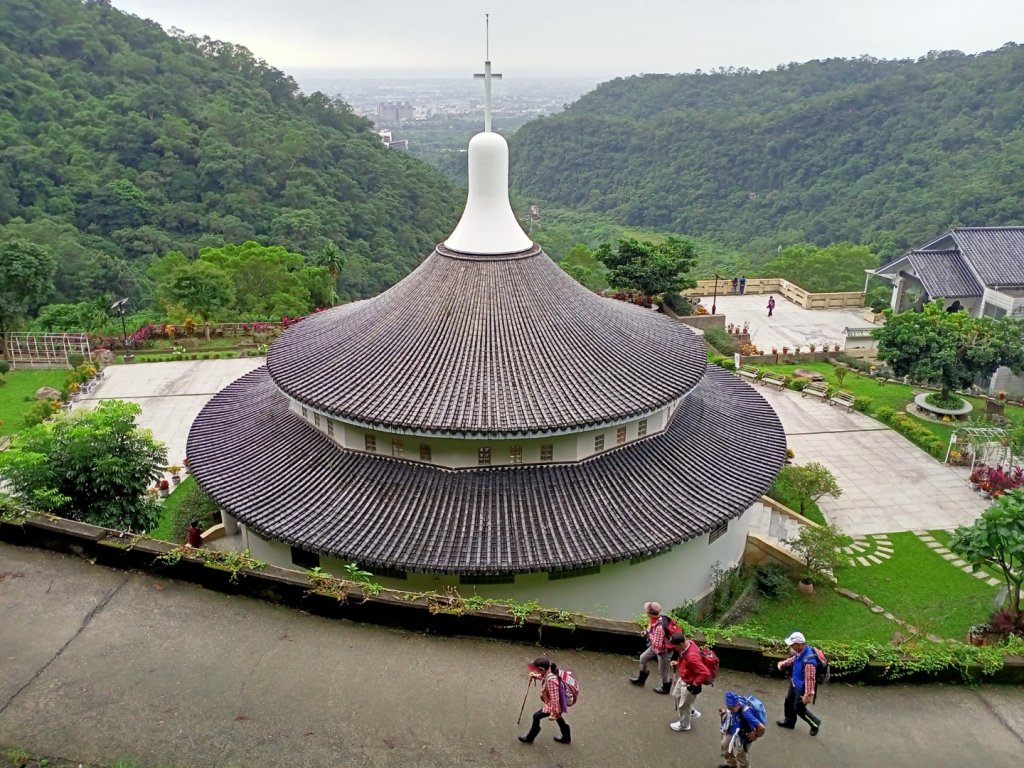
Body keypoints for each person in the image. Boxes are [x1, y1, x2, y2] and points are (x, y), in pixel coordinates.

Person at [775, 631, 822, 735]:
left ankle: (815, 723)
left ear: (800, 645)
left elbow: (810, 679)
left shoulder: (810, 661)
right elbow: (795, 659)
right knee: (788, 701)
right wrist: (784, 663)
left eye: (793, 645)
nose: (791, 646)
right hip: (795, 683)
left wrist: (807, 695)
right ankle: (789, 721)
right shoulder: (801, 652)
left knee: (799, 709)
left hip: (802, 688)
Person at [519, 657, 571, 745]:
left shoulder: (551, 682)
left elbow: (554, 699)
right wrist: (535, 676)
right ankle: (566, 737)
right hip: (558, 703)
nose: (536, 671)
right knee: (559, 718)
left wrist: (554, 712)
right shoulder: (549, 669)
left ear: (542, 669)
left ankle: (530, 737)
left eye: (537, 670)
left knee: (536, 716)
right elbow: (544, 676)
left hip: (555, 704)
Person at [668, 631, 709, 731]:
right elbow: (684, 659)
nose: (674, 649)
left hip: (689, 683)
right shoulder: (688, 644)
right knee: (676, 695)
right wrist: (678, 664)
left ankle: (685, 725)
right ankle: (691, 711)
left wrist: (694, 684)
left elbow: (705, 672)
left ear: (681, 644)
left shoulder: (692, 656)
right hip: (684, 677)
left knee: (682, 706)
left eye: (675, 646)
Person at [629, 601, 672, 693]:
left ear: (650, 613)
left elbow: (658, 644)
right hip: (655, 647)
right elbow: (651, 626)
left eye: (647, 611)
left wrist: (648, 636)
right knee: (643, 658)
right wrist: (647, 632)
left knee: (663, 670)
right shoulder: (655, 618)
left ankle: (666, 687)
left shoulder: (660, 627)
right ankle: (641, 679)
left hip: (664, 651)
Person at [719, 691, 765, 768]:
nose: (730, 710)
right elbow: (731, 712)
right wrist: (725, 712)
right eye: (729, 708)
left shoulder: (746, 713)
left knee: (741, 755)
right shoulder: (734, 705)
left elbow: (762, 728)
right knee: (724, 745)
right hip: (733, 731)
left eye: (732, 709)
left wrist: (756, 735)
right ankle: (731, 764)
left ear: (737, 704)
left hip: (743, 737)